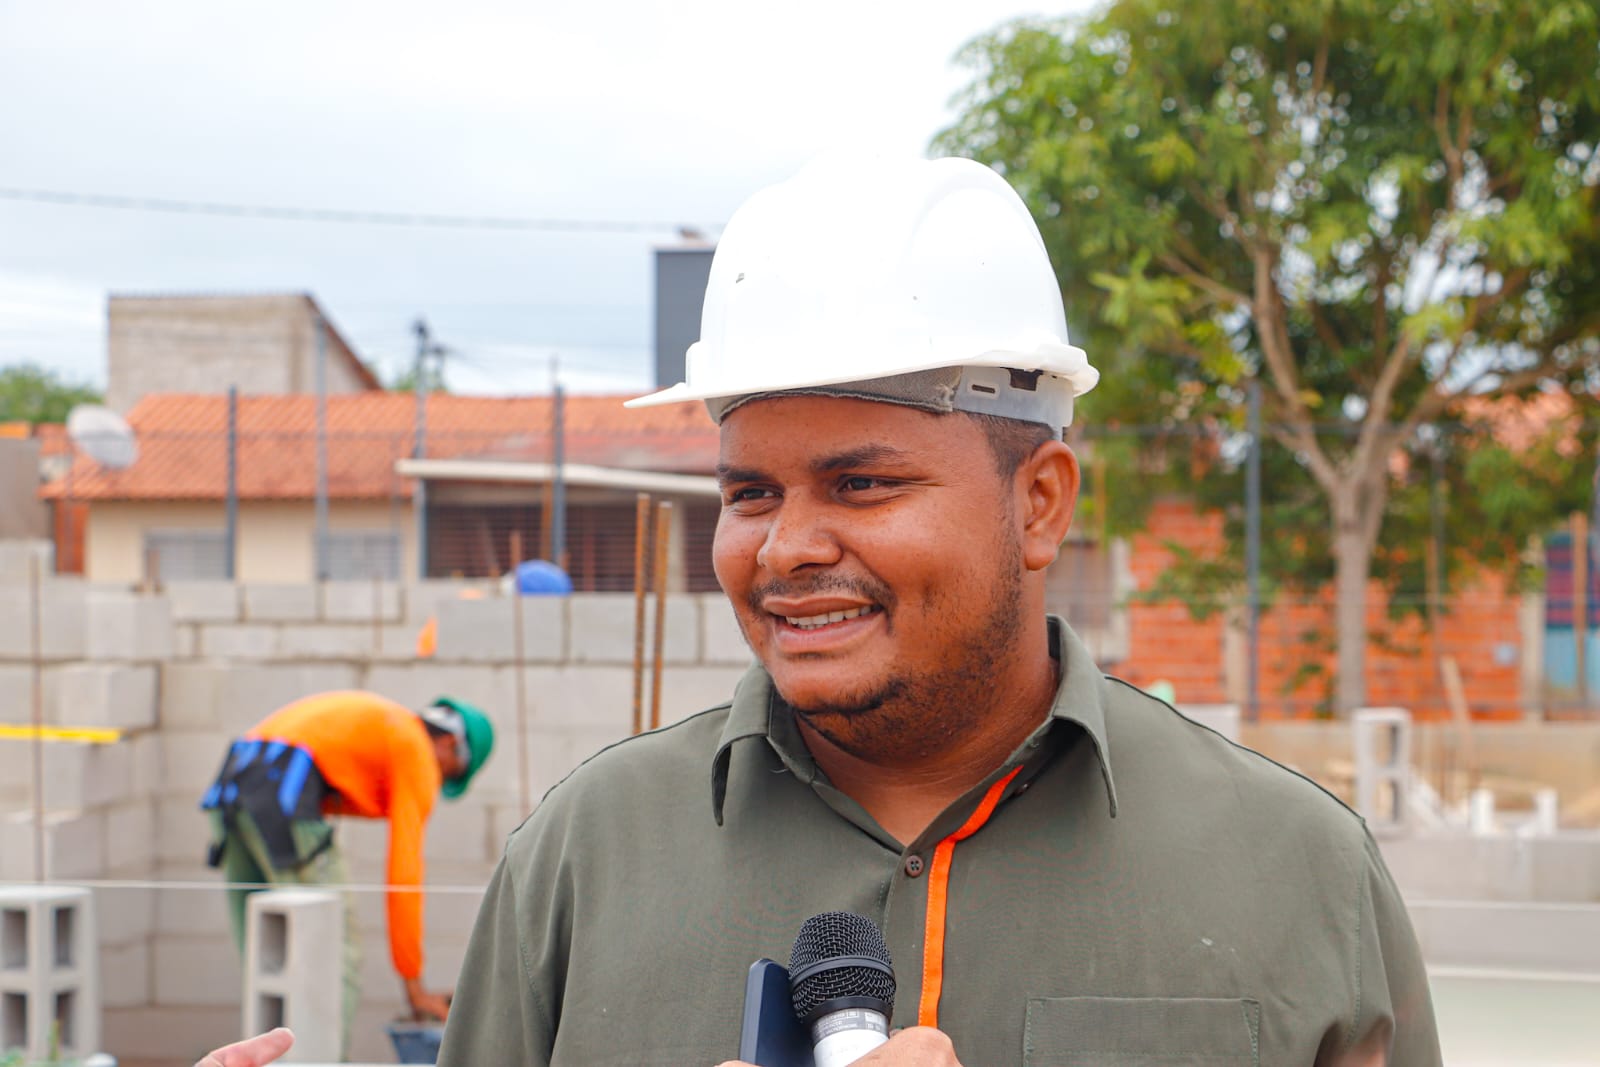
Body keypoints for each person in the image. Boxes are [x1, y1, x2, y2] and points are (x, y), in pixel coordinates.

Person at [207, 154, 1441, 1066]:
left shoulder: (1293, 872)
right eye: (749, 491)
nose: (786, 546)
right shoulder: (584, 858)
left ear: (1039, 502)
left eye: (861, 483)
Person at [199, 691, 494, 1059]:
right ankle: (325, 1062)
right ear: (449, 744)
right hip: (283, 789)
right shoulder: (415, 748)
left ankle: (268, 1060)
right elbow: (404, 875)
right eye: (452, 772)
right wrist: (414, 986)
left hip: (231, 786)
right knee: (335, 948)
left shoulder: (388, 726)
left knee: (266, 954)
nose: (438, 781)